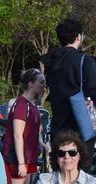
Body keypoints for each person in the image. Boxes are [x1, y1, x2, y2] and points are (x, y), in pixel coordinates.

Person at [42, 17, 96, 167]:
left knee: (60, 174)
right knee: (80, 176)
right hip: (80, 128)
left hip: (58, 127)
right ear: (78, 37)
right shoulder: (84, 61)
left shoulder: (51, 61)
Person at [1, 69, 46, 184]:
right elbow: (17, 135)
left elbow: (36, 131)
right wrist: (21, 163)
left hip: (30, 157)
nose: (43, 86)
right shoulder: (22, 104)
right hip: (18, 158)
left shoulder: (34, 105)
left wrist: (43, 144)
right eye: (41, 82)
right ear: (30, 84)